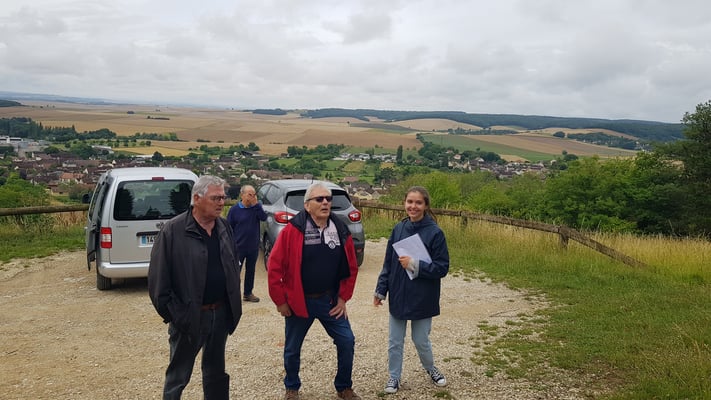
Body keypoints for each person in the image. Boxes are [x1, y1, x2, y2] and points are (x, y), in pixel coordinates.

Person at [148, 175, 243, 400]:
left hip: (220, 313)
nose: (221, 202)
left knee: (216, 373)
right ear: (197, 199)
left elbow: (233, 265)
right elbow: (158, 283)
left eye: (223, 197)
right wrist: (178, 315)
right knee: (178, 376)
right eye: (216, 198)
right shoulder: (173, 231)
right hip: (189, 316)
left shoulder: (223, 227)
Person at [267, 181, 361, 400]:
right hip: (299, 302)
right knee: (292, 348)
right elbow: (274, 266)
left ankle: (344, 387)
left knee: (347, 341)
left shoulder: (340, 229)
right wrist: (281, 301)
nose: (326, 202)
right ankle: (292, 387)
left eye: (328, 199)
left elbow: (351, 267)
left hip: (329, 301)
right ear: (307, 205)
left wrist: (343, 298)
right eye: (319, 199)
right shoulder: (292, 231)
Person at [373, 186, 450, 394]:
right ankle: (394, 376)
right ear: (404, 203)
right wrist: (381, 290)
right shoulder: (398, 229)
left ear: (425, 206)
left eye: (418, 203)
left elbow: (442, 267)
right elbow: (388, 263)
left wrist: (415, 264)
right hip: (399, 293)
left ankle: (431, 368)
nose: (413, 206)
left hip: (423, 295)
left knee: (421, 340)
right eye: (410, 202)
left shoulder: (435, 233)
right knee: (394, 341)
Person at [227, 184, 267, 302]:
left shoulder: (256, 208)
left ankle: (248, 293)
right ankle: (233, 294)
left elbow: (263, 217)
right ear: (242, 195)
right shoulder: (234, 210)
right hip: (238, 247)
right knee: (235, 272)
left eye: (254, 195)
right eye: (250, 194)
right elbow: (228, 228)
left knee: (251, 270)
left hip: (253, 246)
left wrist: (257, 206)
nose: (252, 197)